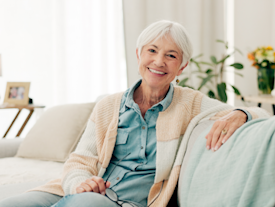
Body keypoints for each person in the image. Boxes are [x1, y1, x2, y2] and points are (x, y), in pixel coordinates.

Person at [0, 20, 269, 207]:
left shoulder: (190, 103)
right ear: (138, 53)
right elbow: (81, 159)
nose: (159, 61)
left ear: (182, 66)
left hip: (124, 201)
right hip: (83, 192)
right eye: (152, 50)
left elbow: (260, 114)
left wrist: (241, 114)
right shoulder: (109, 105)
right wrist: (79, 184)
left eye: (171, 55)